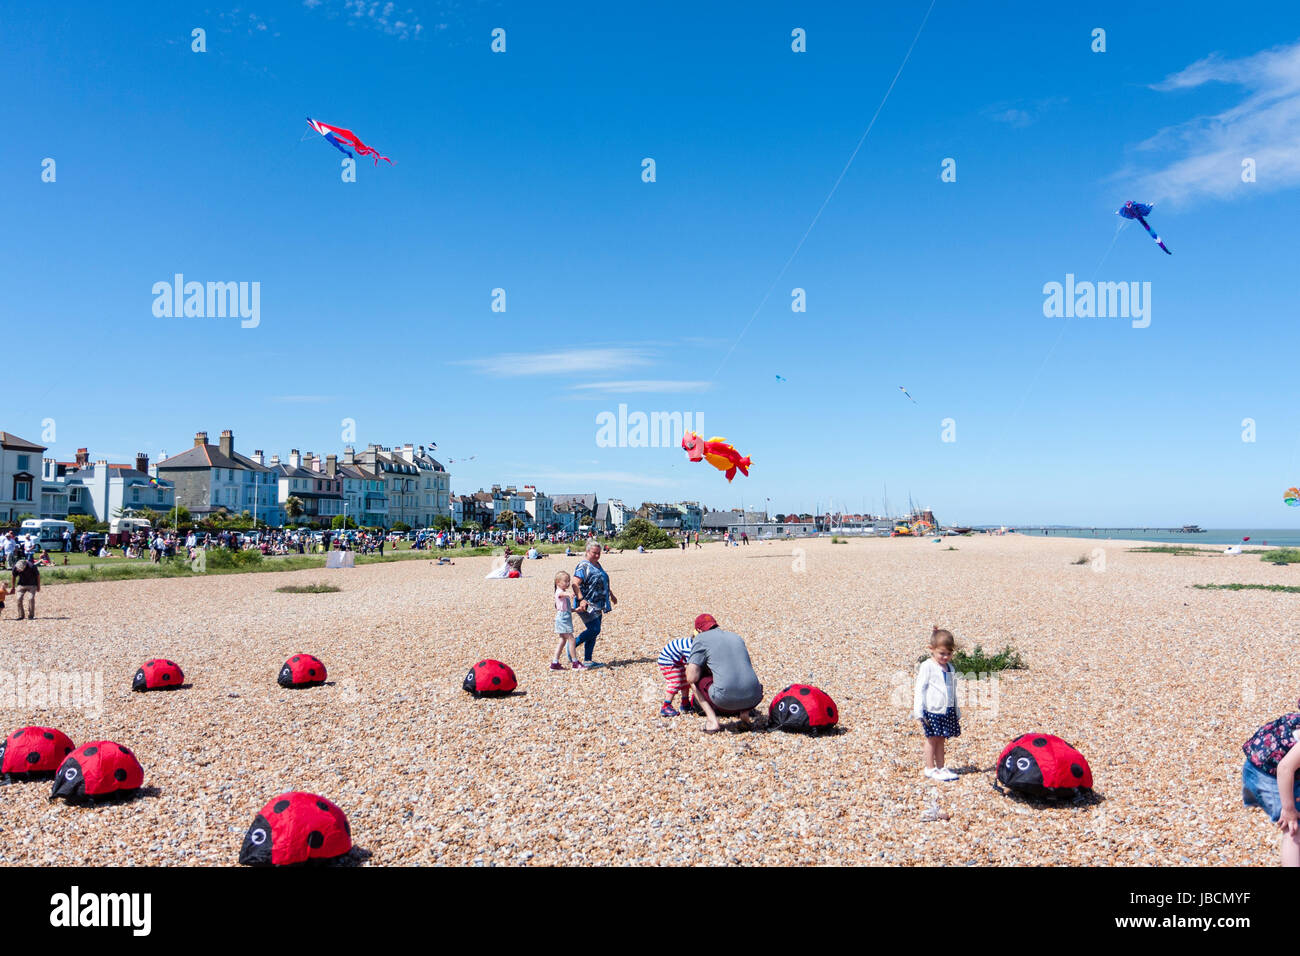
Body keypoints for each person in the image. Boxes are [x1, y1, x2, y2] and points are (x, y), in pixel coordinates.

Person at [1242, 702, 1300, 866]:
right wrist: (1288, 809)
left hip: (1282, 764)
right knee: (1293, 828)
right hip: (1265, 775)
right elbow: (1284, 768)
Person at [686, 613, 763, 732]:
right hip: (755, 696)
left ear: (698, 630)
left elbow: (691, 677)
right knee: (739, 673)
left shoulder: (701, 639)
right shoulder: (736, 636)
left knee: (694, 682)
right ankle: (745, 715)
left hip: (725, 699)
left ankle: (712, 721)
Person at [913, 626, 961, 781]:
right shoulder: (927, 666)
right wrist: (918, 710)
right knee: (931, 738)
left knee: (941, 739)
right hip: (931, 709)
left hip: (946, 709)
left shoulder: (950, 668)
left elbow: (952, 689)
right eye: (942, 653)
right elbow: (920, 688)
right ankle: (930, 768)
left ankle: (941, 767)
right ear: (931, 649)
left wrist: (956, 709)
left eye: (949, 653)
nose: (945, 657)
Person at [571, 541, 616, 667]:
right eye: (594, 553)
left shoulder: (597, 564)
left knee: (594, 632)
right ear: (587, 551)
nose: (597, 555)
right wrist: (581, 599)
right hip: (587, 604)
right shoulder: (583, 566)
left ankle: (588, 660)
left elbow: (601, 581)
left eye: (598, 553)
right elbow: (575, 584)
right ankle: (572, 644)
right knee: (594, 629)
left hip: (598, 603)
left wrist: (611, 594)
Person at [550, 571, 585, 671]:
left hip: (564, 617)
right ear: (558, 582)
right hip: (563, 619)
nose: (568, 583)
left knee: (562, 640)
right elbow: (561, 594)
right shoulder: (559, 592)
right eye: (565, 581)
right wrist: (568, 594)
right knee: (571, 639)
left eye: (569, 581)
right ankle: (575, 662)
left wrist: (575, 609)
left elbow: (565, 608)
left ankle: (555, 663)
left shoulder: (562, 592)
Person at [656, 632, 695, 717]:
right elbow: (691, 664)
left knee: (685, 681)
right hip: (667, 662)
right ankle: (666, 706)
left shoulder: (692, 643)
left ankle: (685, 703)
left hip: (677, 662)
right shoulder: (689, 647)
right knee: (675, 682)